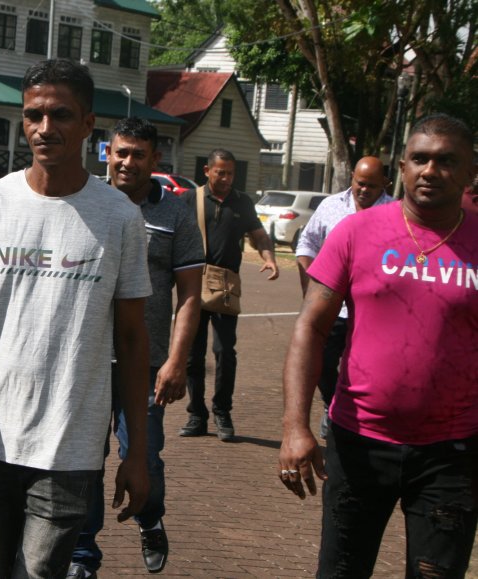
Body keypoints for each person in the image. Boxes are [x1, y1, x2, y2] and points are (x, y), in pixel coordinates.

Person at [0, 59, 153, 579]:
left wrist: (137, 451)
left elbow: (131, 340)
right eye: (33, 114)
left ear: (88, 124)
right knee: (0, 569)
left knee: (37, 572)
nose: (44, 128)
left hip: (72, 443)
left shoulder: (120, 218)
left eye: (60, 115)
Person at [279, 113, 477, 578]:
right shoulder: (357, 232)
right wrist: (295, 427)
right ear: (403, 167)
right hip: (359, 443)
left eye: (447, 161)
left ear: (471, 171)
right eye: (420, 159)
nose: (431, 171)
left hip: (453, 454)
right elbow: (310, 327)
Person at [69, 117, 204, 578]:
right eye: (120, 152)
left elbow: (190, 295)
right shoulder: (84, 202)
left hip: (145, 364)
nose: (127, 162)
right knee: (85, 459)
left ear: (155, 159)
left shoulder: (176, 214)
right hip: (85, 359)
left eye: (138, 154)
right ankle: (82, 555)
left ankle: (150, 517)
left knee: (143, 454)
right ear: (107, 152)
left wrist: (176, 361)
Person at [179, 149, 279, 441]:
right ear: (207, 171)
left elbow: (258, 235)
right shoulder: (190, 199)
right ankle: (196, 414)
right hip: (194, 284)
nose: (225, 178)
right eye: (220, 172)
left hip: (225, 287)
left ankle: (222, 411)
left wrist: (269, 257)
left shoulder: (242, 202)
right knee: (192, 355)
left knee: (225, 352)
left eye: (230, 173)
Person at [294, 156, 393, 437]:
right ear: (352, 177)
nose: (364, 190)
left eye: (372, 186)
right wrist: (309, 282)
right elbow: (307, 241)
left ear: (384, 184)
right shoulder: (330, 206)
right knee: (322, 362)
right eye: (360, 183)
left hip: (372, 311)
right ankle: (332, 403)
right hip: (333, 307)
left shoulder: (396, 212)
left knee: (365, 368)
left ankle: (359, 420)